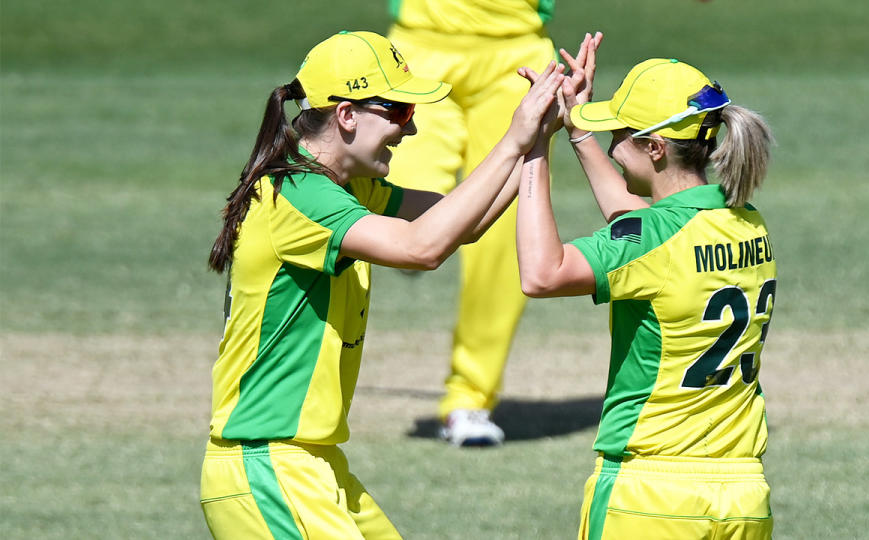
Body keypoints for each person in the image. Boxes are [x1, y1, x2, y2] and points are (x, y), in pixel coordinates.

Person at [199, 30, 564, 539]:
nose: (408, 131)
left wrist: (537, 140)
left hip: (314, 465)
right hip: (268, 467)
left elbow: (465, 223)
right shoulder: (298, 193)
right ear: (346, 113)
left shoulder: (347, 188)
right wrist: (513, 140)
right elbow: (422, 249)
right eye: (399, 113)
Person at [516, 35, 776, 539]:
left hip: (651, 498)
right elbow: (646, 229)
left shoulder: (653, 240)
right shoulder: (747, 222)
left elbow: (541, 274)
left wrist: (534, 149)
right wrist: (577, 129)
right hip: (742, 497)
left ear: (655, 147)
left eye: (618, 134)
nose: (612, 147)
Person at [384, 0, 558, 446]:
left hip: (516, 55)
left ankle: (469, 398)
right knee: (402, 207)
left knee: (505, 234)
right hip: (418, 47)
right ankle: (411, 248)